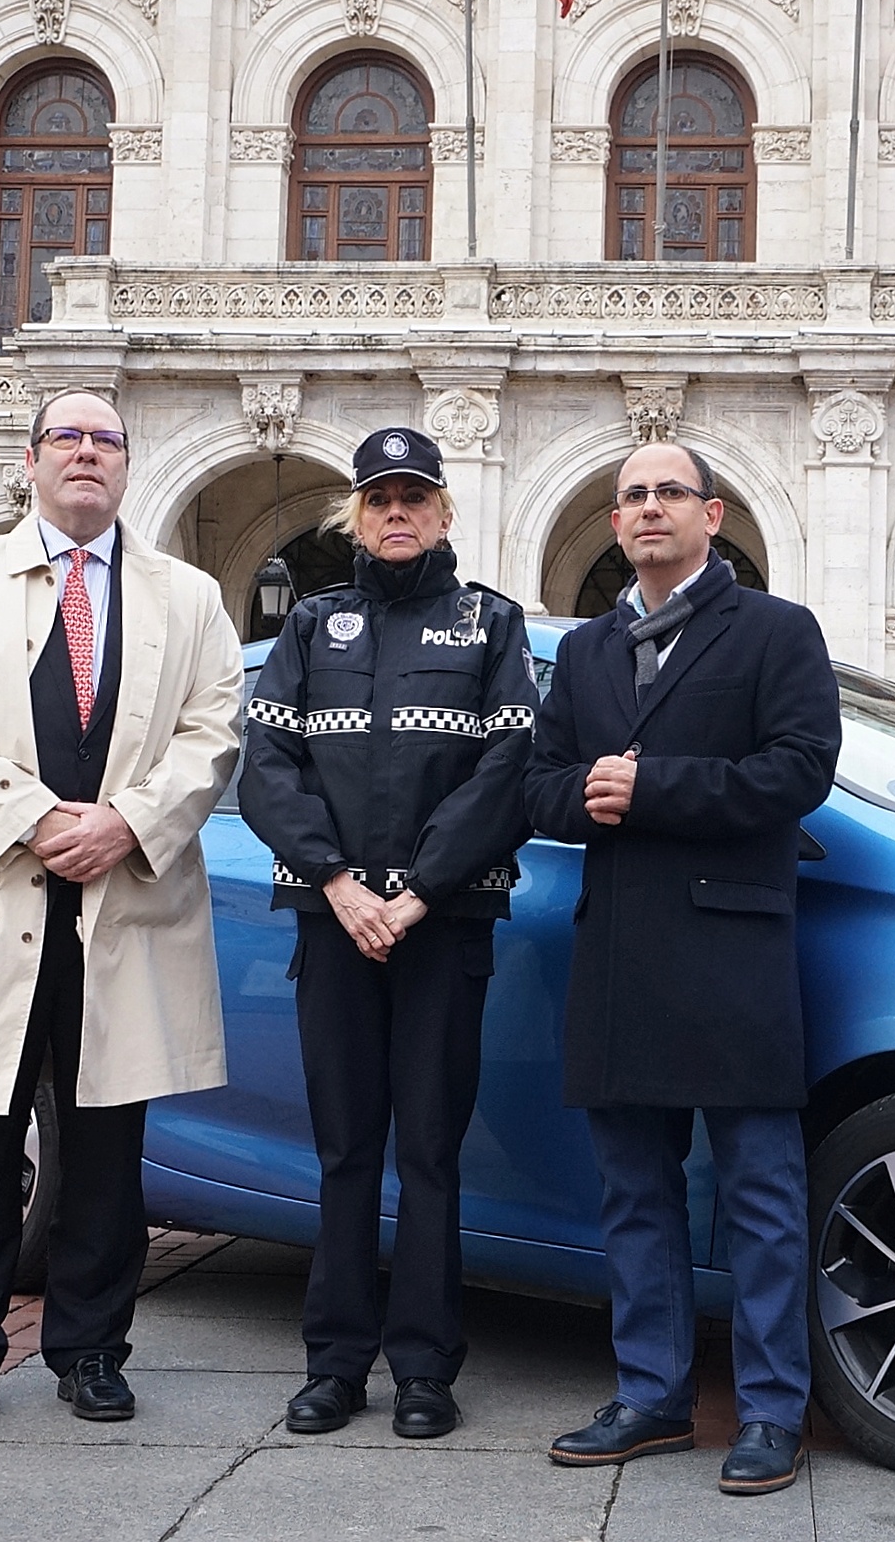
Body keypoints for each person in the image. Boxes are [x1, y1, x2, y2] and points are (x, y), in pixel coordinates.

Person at [0, 389, 244, 1429]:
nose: (86, 453)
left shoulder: (189, 596)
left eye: (105, 440)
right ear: (28, 460)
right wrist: (32, 818)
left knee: (105, 1151)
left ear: (127, 464)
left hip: (120, 906)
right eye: (66, 438)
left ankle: (91, 1351)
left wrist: (127, 820)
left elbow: (213, 732)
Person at [525, 443, 840, 1497]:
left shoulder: (776, 630)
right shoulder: (585, 651)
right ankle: (650, 1397)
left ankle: (772, 1411)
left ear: (712, 514)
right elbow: (539, 785)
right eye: (631, 496)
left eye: (669, 492)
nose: (649, 507)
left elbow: (800, 770)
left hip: (733, 949)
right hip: (619, 951)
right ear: (614, 523)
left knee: (762, 1196)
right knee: (634, 1194)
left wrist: (652, 787)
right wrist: (587, 796)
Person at [239, 427, 537, 1442]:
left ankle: (424, 1370)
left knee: (431, 1153)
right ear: (356, 516)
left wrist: (416, 894)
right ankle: (334, 1366)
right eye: (379, 498)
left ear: (445, 512)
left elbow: (507, 772)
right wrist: (337, 881)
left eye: (414, 496)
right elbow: (266, 766)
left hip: (441, 929)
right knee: (344, 1149)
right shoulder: (310, 624)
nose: (396, 512)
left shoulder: (490, 624)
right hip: (334, 925)